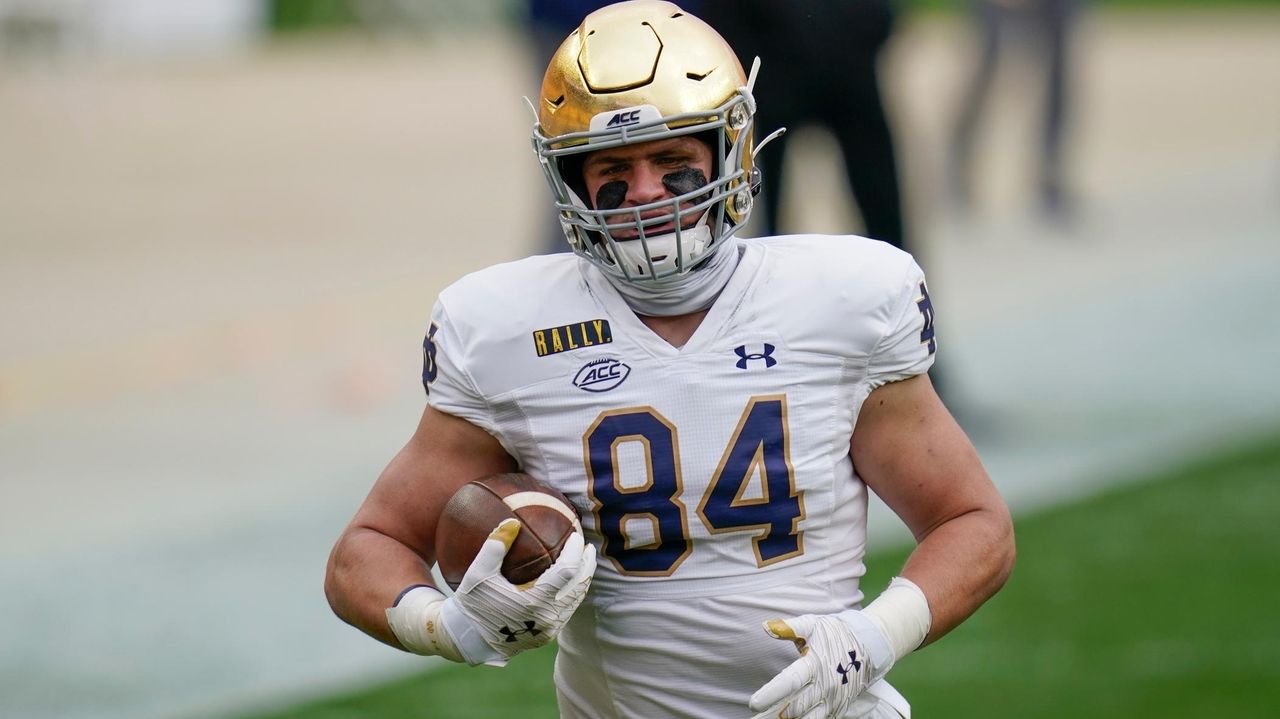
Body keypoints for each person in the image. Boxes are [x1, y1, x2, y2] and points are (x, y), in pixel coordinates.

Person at [324, 3, 1014, 718]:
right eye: (614, 167)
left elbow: (973, 521)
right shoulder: (504, 328)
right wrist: (449, 625)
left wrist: (875, 635)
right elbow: (364, 551)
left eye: (673, 160)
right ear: (570, 178)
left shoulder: (841, 299)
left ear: (730, 152)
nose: (647, 189)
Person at [698, 0, 907, 251]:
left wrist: (873, 22)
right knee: (762, 194)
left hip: (848, 63)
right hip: (774, 62)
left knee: (880, 197)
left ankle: (895, 260)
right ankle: (765, 265)